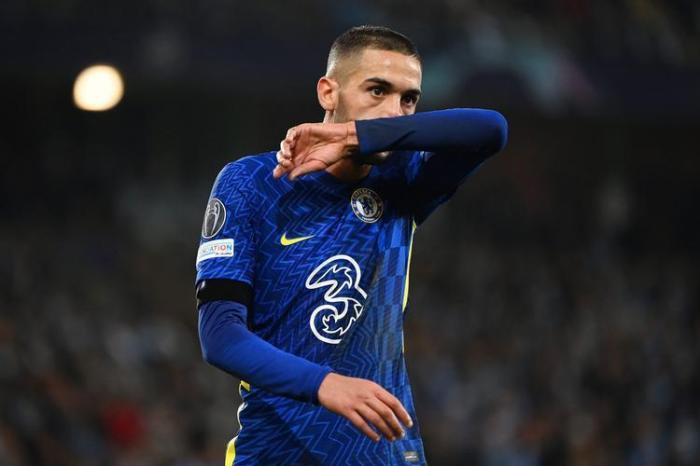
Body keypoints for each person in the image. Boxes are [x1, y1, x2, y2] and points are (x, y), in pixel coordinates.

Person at [195, 25, 508, 465]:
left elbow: (492, 129)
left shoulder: (405, 180)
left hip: (383, 455)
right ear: (328, 92)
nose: (395, 112)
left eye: (409, 99)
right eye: (377, 90)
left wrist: (353, 136)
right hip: (275, 453)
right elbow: (221, 337)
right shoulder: (251, 183)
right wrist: (325, 384)